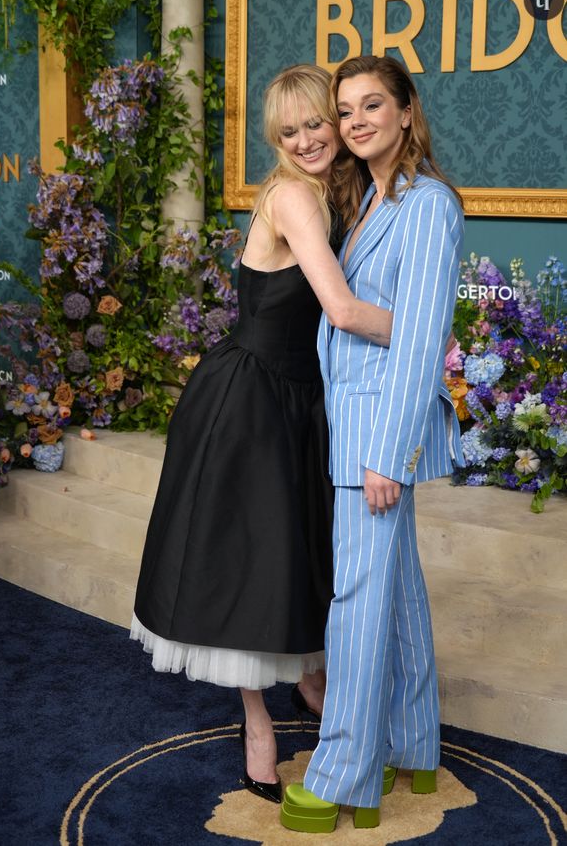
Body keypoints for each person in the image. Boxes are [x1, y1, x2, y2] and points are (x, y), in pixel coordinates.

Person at [131, 64, 393, 804]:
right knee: (252, 562)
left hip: (297, 398)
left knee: (298, 554)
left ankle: (311, 680)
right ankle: (258, 730)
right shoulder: (292, 196)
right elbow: (340, 309)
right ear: (275, 140)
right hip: (250, 403)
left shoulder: (334, 192)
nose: (309, 139)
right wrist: (427, 334)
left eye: (319, 122)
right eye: (290, 131)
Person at [281, 55, 466, 833]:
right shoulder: (367, 199)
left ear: (406, 112)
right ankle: (413, 742)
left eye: (371, 106)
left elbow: (420, 338)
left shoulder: (427, 204)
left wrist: (389, 452)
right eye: (345, 109)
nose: (355, 122)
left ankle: (344, 773)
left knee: (355, 603)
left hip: (376, 435)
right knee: (398, 590)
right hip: (355, 422)